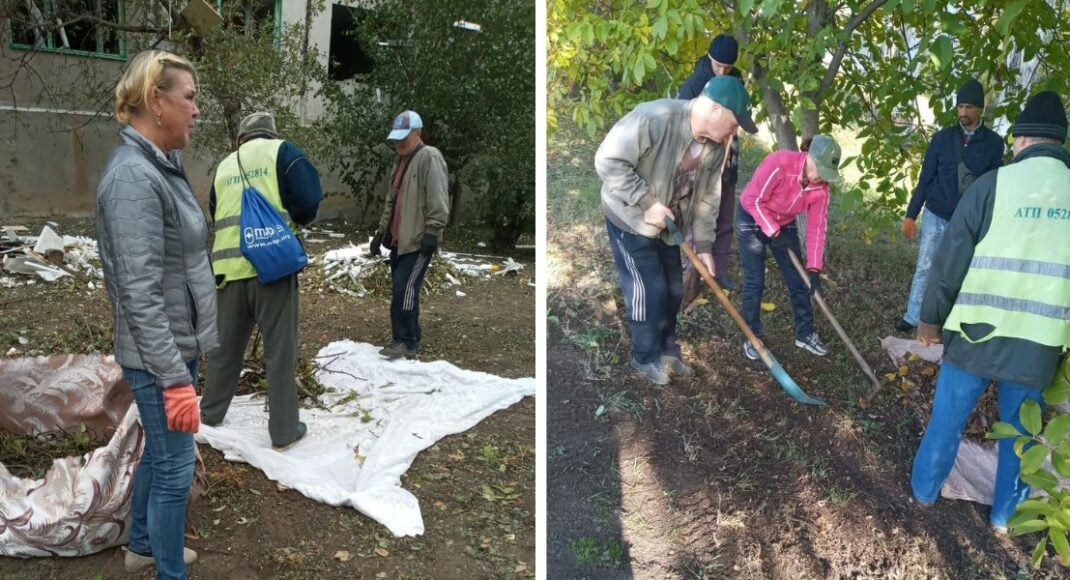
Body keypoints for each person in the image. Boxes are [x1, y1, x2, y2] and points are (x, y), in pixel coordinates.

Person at [911, 90, 1070, 534]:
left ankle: (923, 494)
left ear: (1020, 141)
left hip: (976, 335)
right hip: (1037, 346)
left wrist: (930, 322)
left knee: (947, 420)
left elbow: (949, 261)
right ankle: (1004, 519)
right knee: (1022, 438)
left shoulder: (992, 185)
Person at [95, 49, 216, 580]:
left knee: (160, 453)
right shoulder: (132, 180)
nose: (196, 110)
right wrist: (173, 378)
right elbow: (139, 294)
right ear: (155, 101)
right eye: (188, 98)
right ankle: (167, 571)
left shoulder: (160, 167)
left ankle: (142, 544)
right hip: (158, 354)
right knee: (174, 466)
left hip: (173, 345)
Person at [596, 75, 758, 385]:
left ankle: (669, 351)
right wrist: (646, 202)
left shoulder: (715, 147)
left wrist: (705, 246)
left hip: (670, 224)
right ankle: (644, 357)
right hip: (629, 218)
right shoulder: (654, 118)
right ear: (715, 111)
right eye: (734, 122)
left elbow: (709, 198)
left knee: (673, 288)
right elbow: (607, 161)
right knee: (648, 289)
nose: (734, 131)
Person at [200, 112, 322, 448]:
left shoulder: (224, 166)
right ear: (270, 134)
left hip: (227, 271)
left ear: (240, 138)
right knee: (279, 352)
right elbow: (308, 202)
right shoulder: (283, 153)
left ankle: (209, 414)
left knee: (224, 350)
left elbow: (216, 210)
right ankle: (283, 431)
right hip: (272, 269)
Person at [896, 78, 1004, 332]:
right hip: (935, 214)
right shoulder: (942, 139)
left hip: (967, 219)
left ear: (980, 109)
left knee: (959, 270)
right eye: (960, 107)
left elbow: (993, 186)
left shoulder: (994, 144)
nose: (964, 113)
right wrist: (911, 215)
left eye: (969, 107)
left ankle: (947, 320)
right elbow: (925, 178)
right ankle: (913, 315)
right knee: (925, 266)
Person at [736, 135, 842, 361]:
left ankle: (805, 334)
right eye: (820, 169)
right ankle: (752, 337)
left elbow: (816, 228)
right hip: (752, 218)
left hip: (784, 223)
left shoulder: (821, 189)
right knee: (755, 281)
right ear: (809, 157)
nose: (821, 177)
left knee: (799, 279)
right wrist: (773, 232)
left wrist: (814, 268)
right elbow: (753, 200)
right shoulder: (780, 163)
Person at [369, 110, 450, 359]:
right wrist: (380, 233)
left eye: (404, 137)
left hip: (417, 240)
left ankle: (406, 341)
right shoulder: (400, 161)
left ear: (418, 133)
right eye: (396, 139)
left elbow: (438, 197)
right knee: (402, 288)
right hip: (398, 241)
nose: (399, 143)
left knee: (404, 289)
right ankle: (409, 335)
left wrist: (433, 232)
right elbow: (391, 200)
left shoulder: (429, 157)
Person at [678, 33, 744, 293]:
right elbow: (683, 127)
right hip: (701, 164)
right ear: (709, 58)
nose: (723, 71)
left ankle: (719, 271)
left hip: (728, 160)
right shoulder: (695, 84)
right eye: (718, 65)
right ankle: (691, 273)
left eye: (728, 67)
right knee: (697, 218)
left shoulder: (736, 79)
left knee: (725, 216)